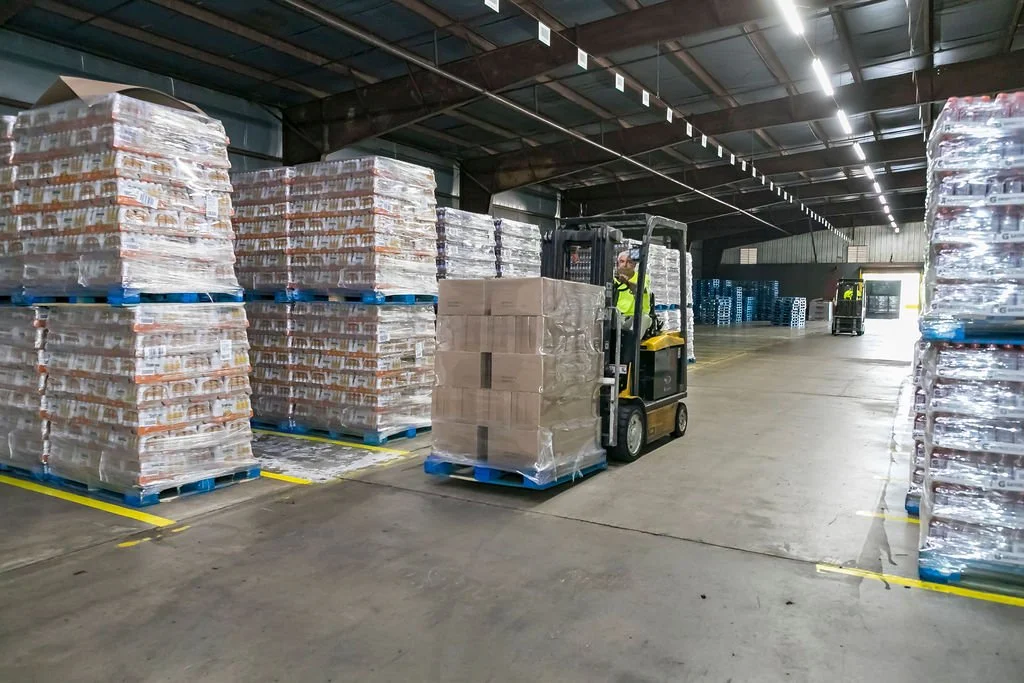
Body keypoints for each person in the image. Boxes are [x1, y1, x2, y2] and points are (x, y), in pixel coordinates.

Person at [614, 249, 652, 365]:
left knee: (642, 319)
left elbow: (639, 290)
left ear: (634, 264)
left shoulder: (642, 278)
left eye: (629, 262)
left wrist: (627, 283)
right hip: (618, 317)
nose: (625, 265)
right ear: (617, 264)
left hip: (636, 317)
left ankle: (627, 359)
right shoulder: (612, 280)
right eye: (622, 261)